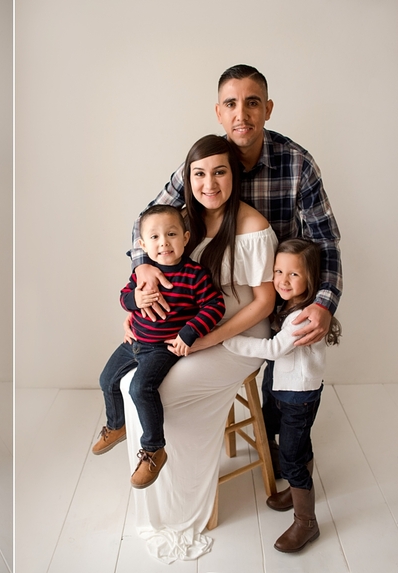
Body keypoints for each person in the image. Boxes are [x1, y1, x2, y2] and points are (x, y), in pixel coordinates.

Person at [128, 64, 342, 476]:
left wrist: (324, 303)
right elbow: (147, 220)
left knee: (286, 392)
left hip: (283, 297)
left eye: (252, 103)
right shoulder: (206, 162)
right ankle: (168, 452)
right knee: (148, 375)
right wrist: (143, 272)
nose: (241, 114)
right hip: (206, 303)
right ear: (219, 112)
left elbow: (326, 242)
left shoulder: (297, 164)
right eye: (231, 104)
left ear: (268, 109)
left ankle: (291, 457)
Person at [119, 134, 277, 563]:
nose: (210, 183)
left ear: (235, 175)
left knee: (158, 391)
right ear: (186, 178)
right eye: (199, 173)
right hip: (187, 328)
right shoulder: (180, 222)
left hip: (240, 334)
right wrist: (140, 298)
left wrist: (205, 338)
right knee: (130, 382)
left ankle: (189, 503)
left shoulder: (252, 226)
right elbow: (146, 247)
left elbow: (264, 302)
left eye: (220, 172)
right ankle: (156, 483)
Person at [94, 205, 225, 490]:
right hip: (134, 342)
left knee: (140, 388)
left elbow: (215, 305)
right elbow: (124, 295)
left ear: (186, 237)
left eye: (171, 234)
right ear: (142, 245)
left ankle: (154, 449)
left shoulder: (194, 275)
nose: (163, 242)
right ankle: (117, 425)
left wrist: (189, 333)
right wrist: (134, 301)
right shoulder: (143, 273)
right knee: (106, 379)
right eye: (154, 237)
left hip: (162, 348)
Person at [224, 239, 341, 553]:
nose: (283, 280)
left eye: (293, 275)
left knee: (291, 457)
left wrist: (230, 340)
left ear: (310, 279)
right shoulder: (287, 305)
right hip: (283, 387)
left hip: (298, 395)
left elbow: (273, 349)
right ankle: (296, 482)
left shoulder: (302, 316)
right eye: (278, 271)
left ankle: (306, 521)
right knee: (290, 438)